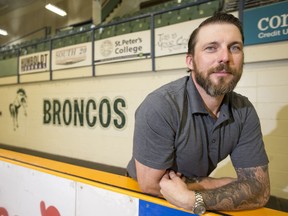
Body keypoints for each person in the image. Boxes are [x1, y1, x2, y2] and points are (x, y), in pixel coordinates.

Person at [127, 12, 270, 214]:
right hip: (140, 199)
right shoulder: (160, 105)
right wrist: (217, 184)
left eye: (234, 47)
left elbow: (259, 190)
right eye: (211, 48)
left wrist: (193, 199)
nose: (225, 57)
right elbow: (151, 185)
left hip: (186, 198)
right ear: (190, 61)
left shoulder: (244, 111)